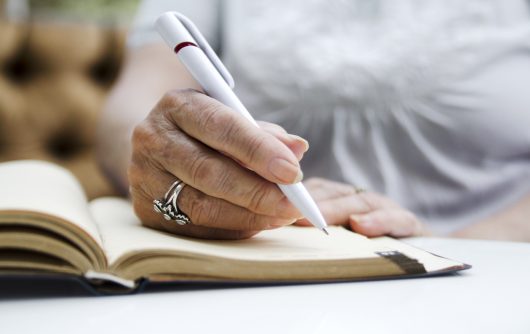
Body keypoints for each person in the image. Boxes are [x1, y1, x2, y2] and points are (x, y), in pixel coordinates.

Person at [97, 0, 530, 241]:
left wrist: (449, 248)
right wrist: (164, 156)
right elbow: (132, 109)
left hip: (492, 266)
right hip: (265, 263)